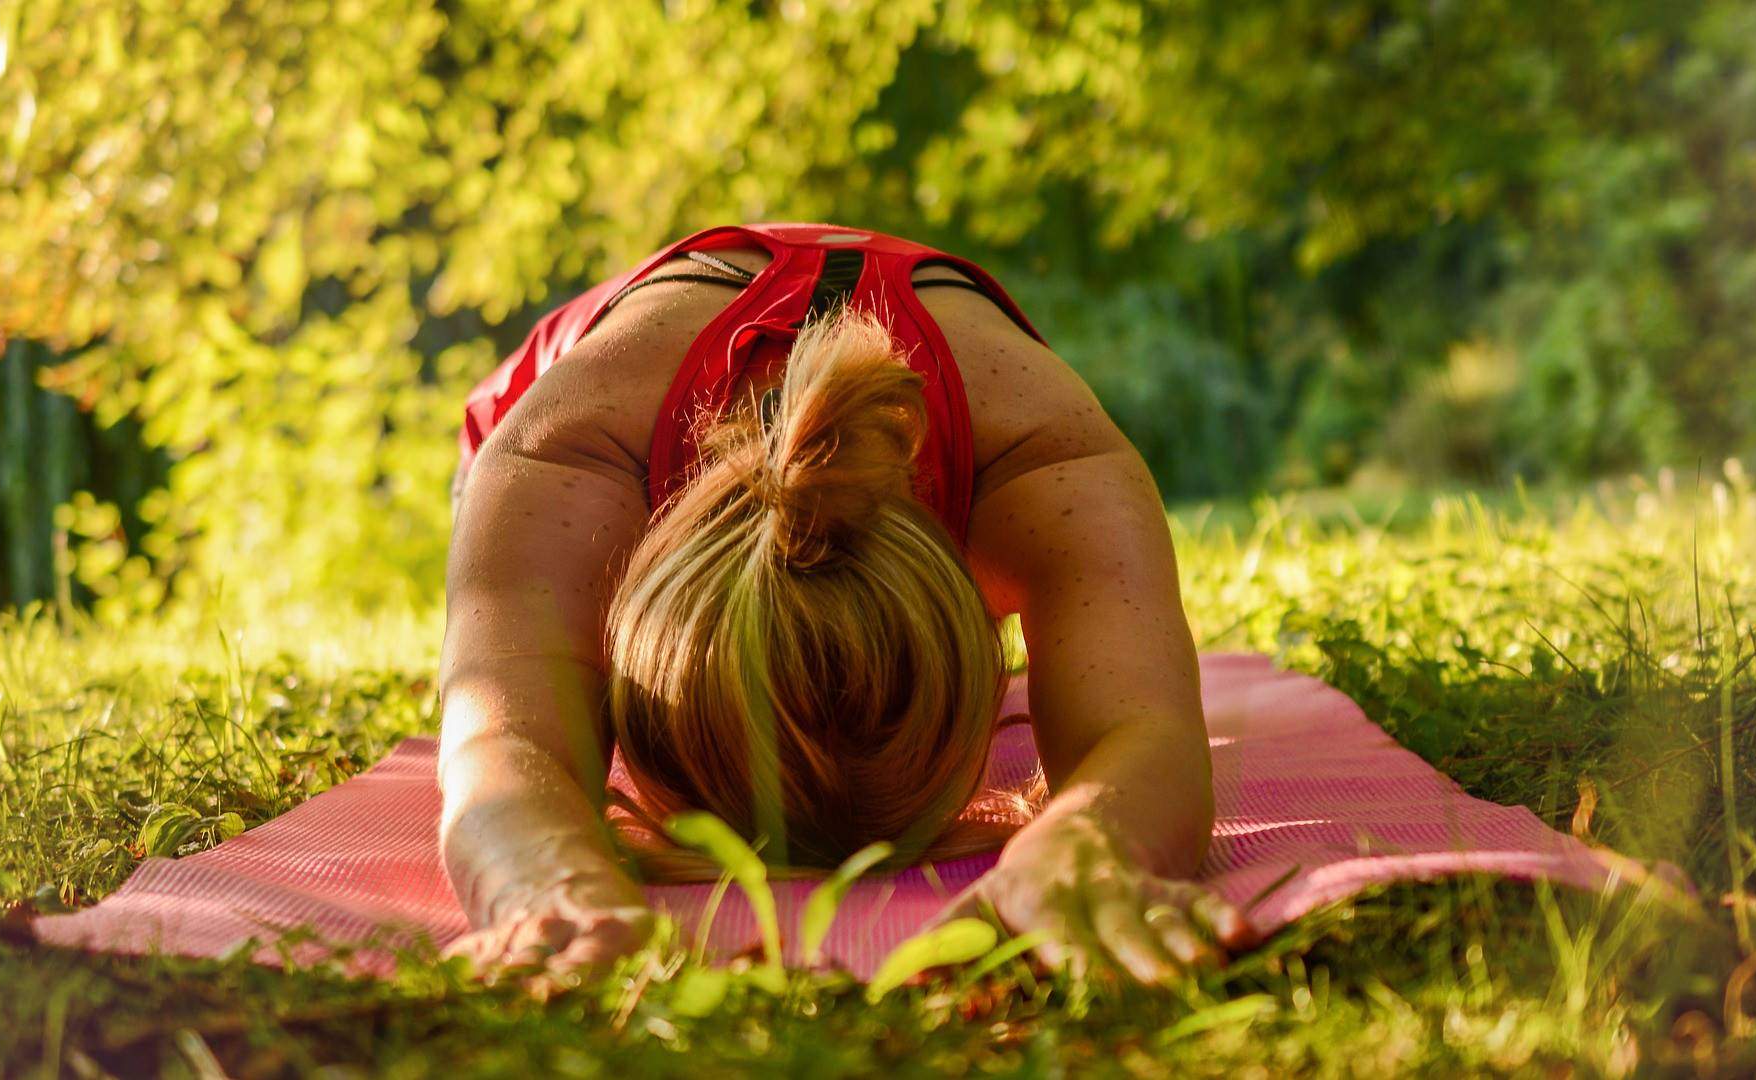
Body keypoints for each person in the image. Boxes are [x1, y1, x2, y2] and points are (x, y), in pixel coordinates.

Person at [439, 223, 1254, 986]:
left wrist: (1090, 847)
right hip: (585, 388)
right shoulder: (566, 455)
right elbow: (498, 739)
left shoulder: (1046, 458)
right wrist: (544, 877)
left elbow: (1145, 733)